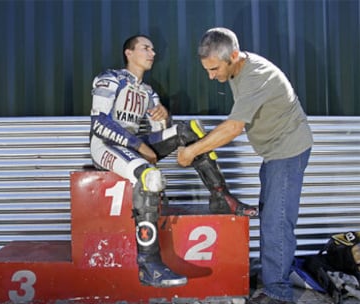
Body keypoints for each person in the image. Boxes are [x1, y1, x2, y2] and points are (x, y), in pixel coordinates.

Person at [90, 34, 258, 288]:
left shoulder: (148, 91)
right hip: (106, 146)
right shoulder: (110, 79)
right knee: (150, 176)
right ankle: (148, 265)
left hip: (136, 145)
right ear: (129, 53)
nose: (152, 53)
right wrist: (139, 145)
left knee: (190, 130)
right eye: (146, 48)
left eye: (153, 49)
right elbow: (100, 123)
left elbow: (161, 131)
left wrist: (164, 116)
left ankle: (220, 196)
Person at [177, 27, 313, 303]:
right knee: (270, 216)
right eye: (207, 69)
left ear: (234, 56)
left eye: (214, 68)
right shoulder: (237, 69)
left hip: (288, 150)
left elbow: (233, 128)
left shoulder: (256, 75)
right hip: (273, 152)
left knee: (277, 222)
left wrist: (192, 151)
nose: (211, 76)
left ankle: (278, 293)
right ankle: (274, 278)